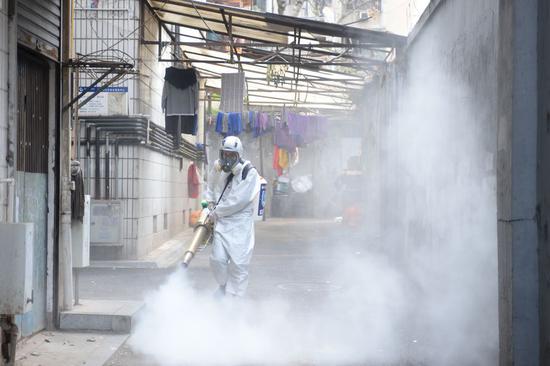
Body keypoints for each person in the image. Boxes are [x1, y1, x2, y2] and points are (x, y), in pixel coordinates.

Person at [205, 136, 261, 297]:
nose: (227, 160)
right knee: (217, 260)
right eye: (224, 155)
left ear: (239, 155)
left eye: (232, 156)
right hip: (222, 223)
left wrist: (216, 212)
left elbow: (238, 201)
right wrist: (210, 204)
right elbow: (211, 186)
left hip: (240, 224)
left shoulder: (249, 173)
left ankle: (236, 301)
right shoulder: (218, 169)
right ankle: (224, 286)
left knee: (239, 264)